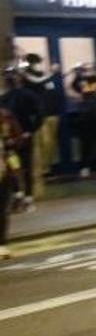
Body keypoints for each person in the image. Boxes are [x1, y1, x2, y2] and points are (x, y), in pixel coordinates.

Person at [0, 67, 42, 211]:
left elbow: (39, 114)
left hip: (12, 140)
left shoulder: (6, 98)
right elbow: (39, 114)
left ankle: (21, 195)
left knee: (16, 168)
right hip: (20, 138)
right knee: (24, 168)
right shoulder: (28, 95)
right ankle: (25, 197)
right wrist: (30, 131)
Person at [1, 106, 22, 259]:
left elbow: (18, 138)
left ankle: (2, 244)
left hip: (4, 169)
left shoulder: (5, 116)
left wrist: (10, 143)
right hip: (5, 168)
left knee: (2, 209)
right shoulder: (5, 116)